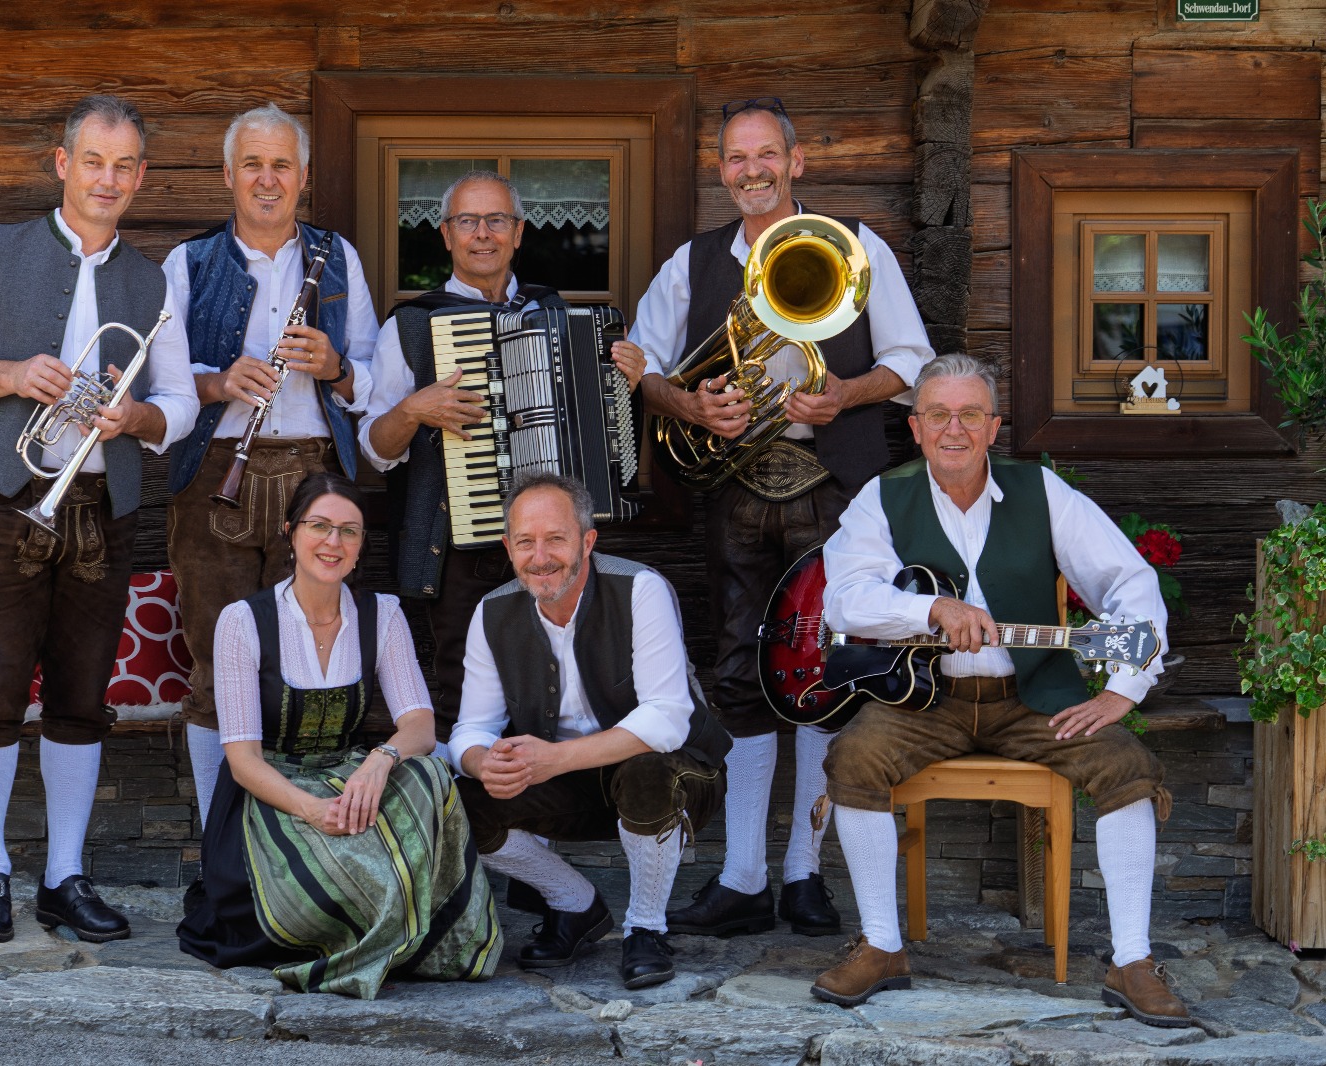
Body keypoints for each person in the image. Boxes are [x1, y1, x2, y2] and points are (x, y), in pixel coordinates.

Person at [624, 97, 934, 940]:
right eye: (735, 157)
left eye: (766, 154)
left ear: (796, 162)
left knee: (824, 670)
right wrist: (690, 404)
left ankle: (803, 872)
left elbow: (911, 361)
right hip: (736, 490)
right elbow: (640, 362)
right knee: (739, 669)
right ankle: (742, 877)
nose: (751, 170)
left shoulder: (855, 246)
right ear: (720, 170)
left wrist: (847, 394)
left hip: (836, 489)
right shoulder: (694, 262)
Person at [812, 353, 1185, 1028]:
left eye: (970, 415)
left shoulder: (1041, 491)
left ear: (993, 426)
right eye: (937, 415)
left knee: (1125, 766)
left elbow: (1130, 583)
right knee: (854, 757)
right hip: (924, 702)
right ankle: (882, 947)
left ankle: (1132, 961)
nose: (953, 429)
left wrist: (1123, 692)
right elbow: (844, 598)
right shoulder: (883, 497)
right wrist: (930, 610)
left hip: (1030, 697)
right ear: (916, 428)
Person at [0, 95, 199, 944]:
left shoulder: (149, 281)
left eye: (124, 166)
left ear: (140, 177)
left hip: (102, 509)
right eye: (93, 162)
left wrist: (138, 419)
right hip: (6, 497)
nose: (107, 179)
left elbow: (181, 400)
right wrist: (8, 374)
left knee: (82, 696)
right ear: (63, 164)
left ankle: (64, 876)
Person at [176, 472, 501, 999]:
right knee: (343, 881)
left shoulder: (382, 614)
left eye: (349, 531)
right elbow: (242, 760)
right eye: (320, 526)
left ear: (361, 544)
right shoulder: (244, 621)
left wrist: (380, 760)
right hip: (272, 796)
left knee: (429, 772)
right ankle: (385, 917)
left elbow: (420, 725)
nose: (334, 542)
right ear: (291, 533)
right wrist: (310, 809)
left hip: (350, 775)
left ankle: (397, 915)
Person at [358, 171, 642, 749]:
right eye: (468, 221)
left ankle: (546, 800)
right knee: (464, 699)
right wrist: (412, 410)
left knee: (560, 690)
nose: (482, 234)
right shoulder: (410, 326)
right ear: (446, 235)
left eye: (496, 220)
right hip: (462, 550)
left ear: (518, 232)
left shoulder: (554, 311)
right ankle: (472, 806)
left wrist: (624, 382)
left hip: (550, 546)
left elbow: (601, 426)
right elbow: (375, 449)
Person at [161, 104, 380, 832]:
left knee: (305, 662)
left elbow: (374, 381)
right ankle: (218, 841)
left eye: (281, 165)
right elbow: (155, 382)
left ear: (303, 176)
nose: (266, 179)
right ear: (228, 175)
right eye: (252, 164)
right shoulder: (188, 262)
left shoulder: (337, 258)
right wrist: (219, 382)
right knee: (214, 665)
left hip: (314, 476)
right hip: (215, 476)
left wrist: (335, 366)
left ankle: (291, 834)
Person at [448, 472, 732, 990]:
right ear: (508, 547)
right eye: (525, 542)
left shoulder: (640, 588)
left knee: (646, 772)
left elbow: (668, 717)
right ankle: (575, 905)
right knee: (463, 800)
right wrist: (481, 762)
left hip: (681, 775)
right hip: (572, 785)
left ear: (587, 540)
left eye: (556, 539)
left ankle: (645, 927)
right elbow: (472, 727)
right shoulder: (491, 613)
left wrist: (552, 760)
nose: (540, 557)